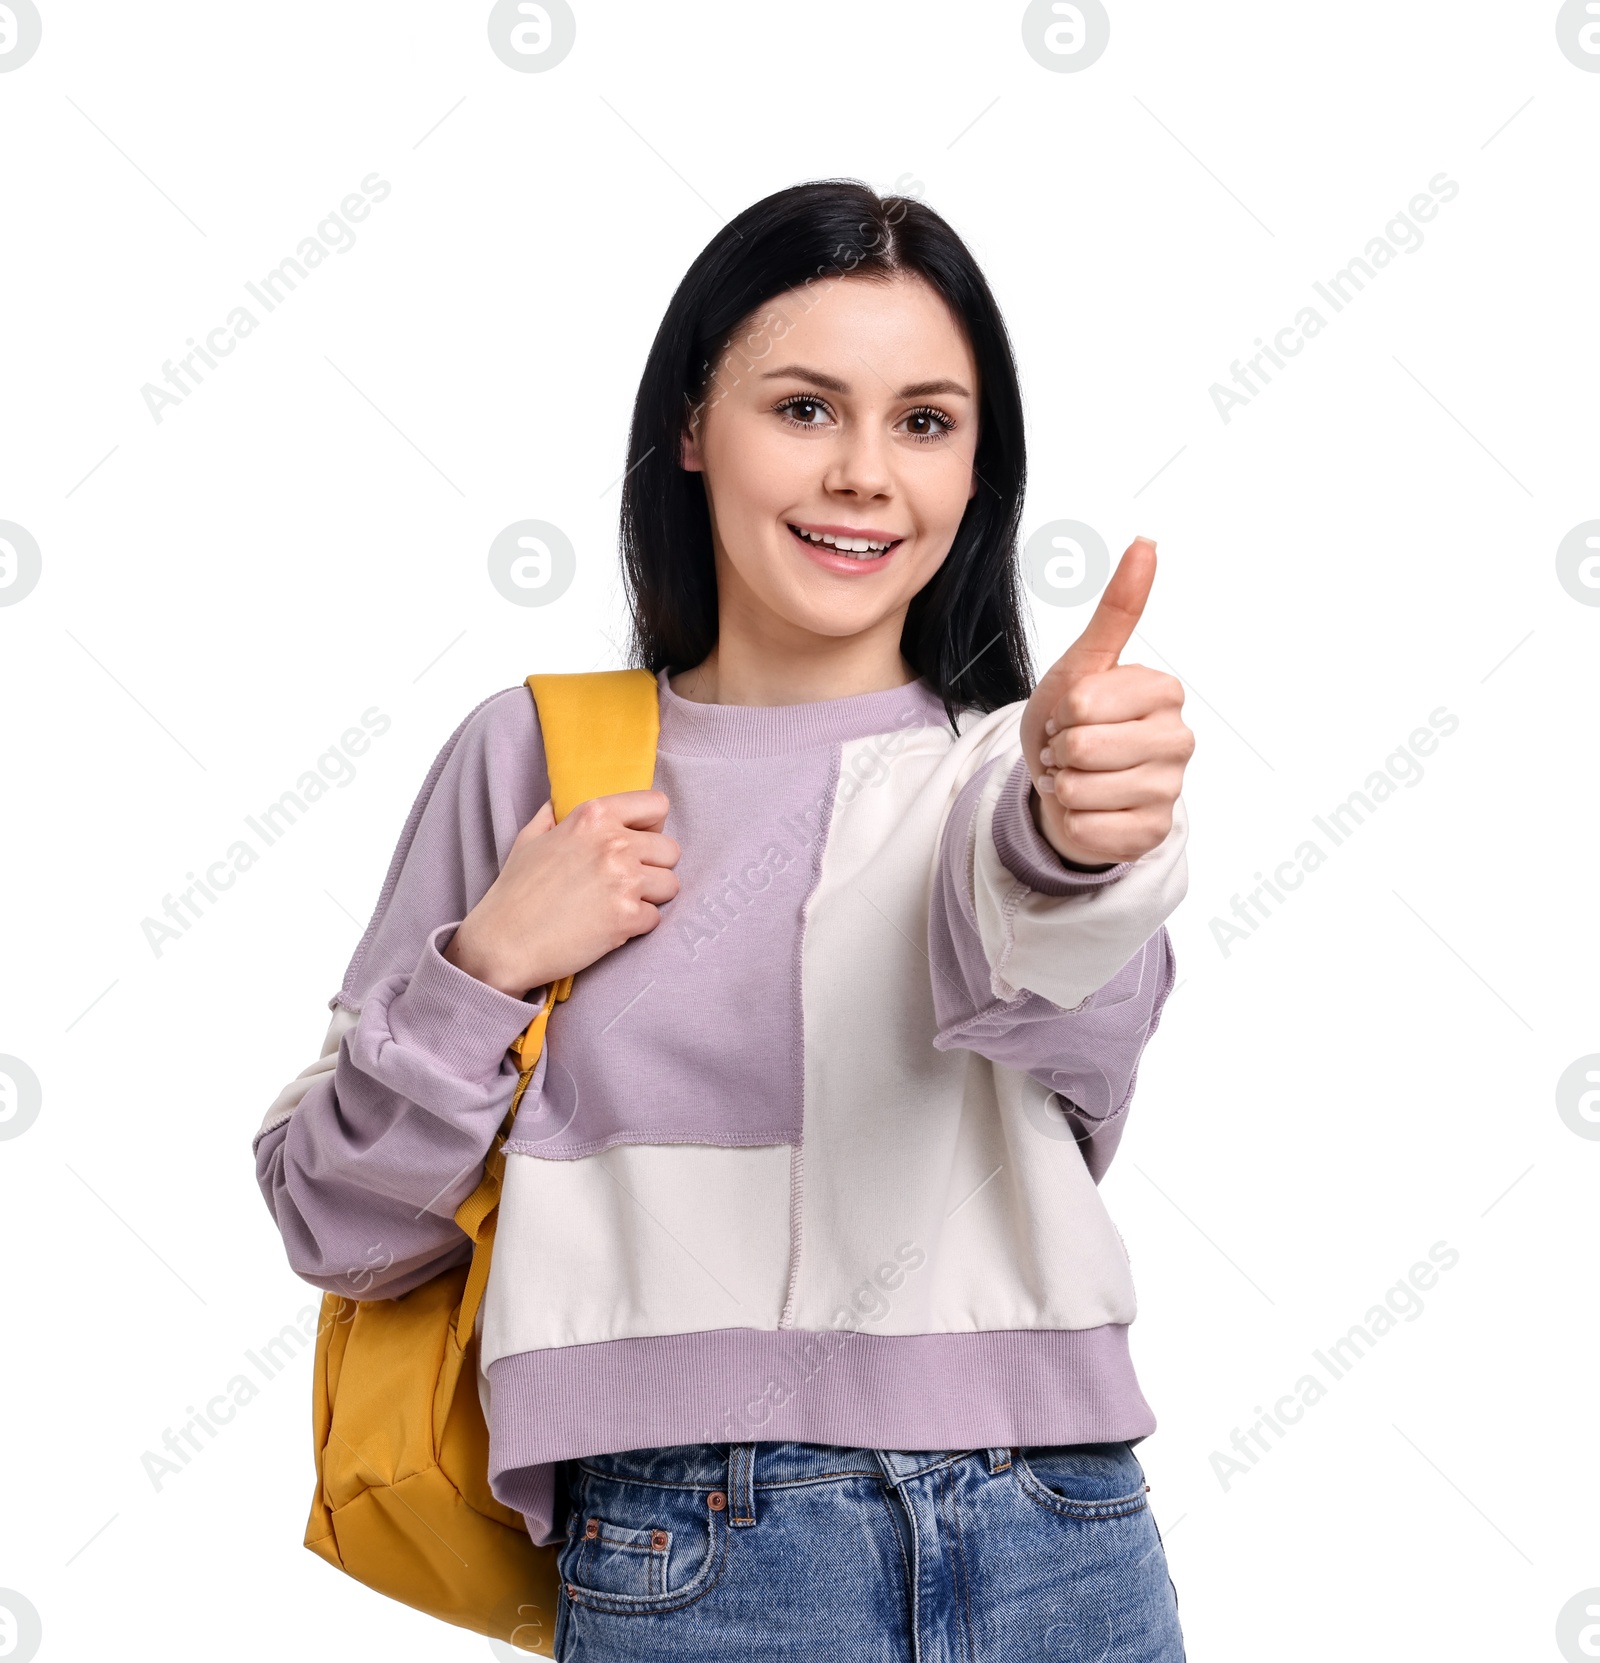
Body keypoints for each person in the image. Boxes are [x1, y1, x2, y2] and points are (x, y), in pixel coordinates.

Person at [254, 178, 1195, 1661]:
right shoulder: (539, 762)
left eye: (926, 422)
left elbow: (1052, 977)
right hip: (699, 1548)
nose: (867, 474)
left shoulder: (1012, 783)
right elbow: (337, 1223)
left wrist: (1075, 843)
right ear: (694, 428)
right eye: (806, 408)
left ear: (974, 474)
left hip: (1061, 1538)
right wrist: (490, 968)